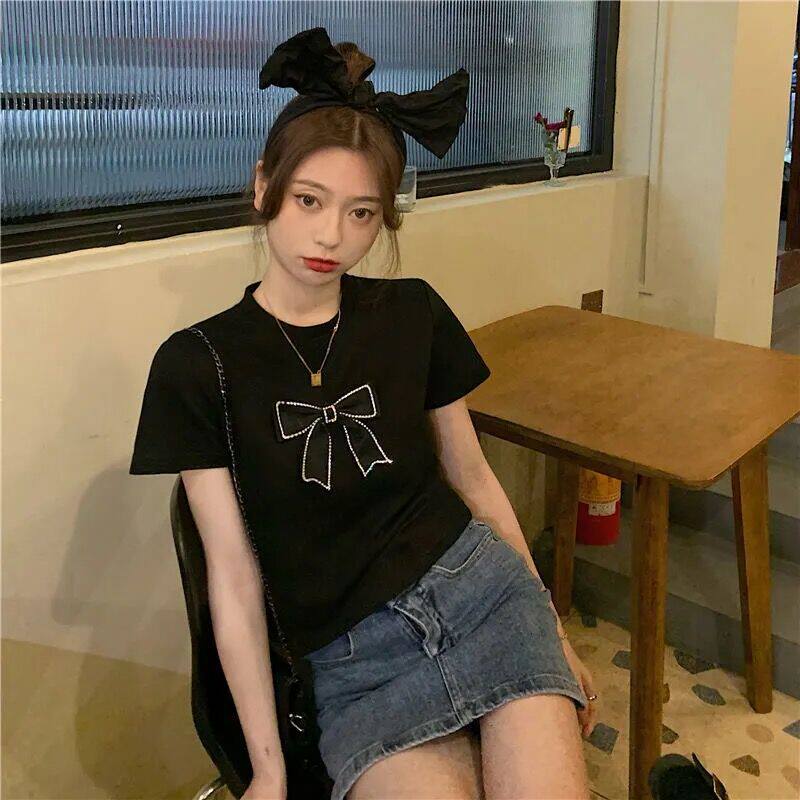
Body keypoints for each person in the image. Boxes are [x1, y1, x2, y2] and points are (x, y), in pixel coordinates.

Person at [130, 27, 598, 800]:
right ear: (263, 186)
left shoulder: (412, 313)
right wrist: (270, 771)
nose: (331, 236)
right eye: (309, 200)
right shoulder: (196, 365)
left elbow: (474, 479)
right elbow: (234, 579)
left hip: (483, 598)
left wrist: (552, 630)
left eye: (361, 213)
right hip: (354, 665)